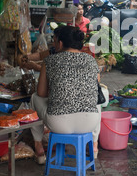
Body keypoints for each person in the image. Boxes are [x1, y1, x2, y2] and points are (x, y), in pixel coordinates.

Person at [30, 26, 101, 164]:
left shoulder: (50, 61)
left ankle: (38, 147)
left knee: (34, 98)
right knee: (98, 98)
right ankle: (94, 143)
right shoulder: (91, 61)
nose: (53, 44)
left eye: (54, 41)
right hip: (89, 123)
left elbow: (41, 93)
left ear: (60, 43)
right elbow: (95, 84)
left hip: (59, 124)